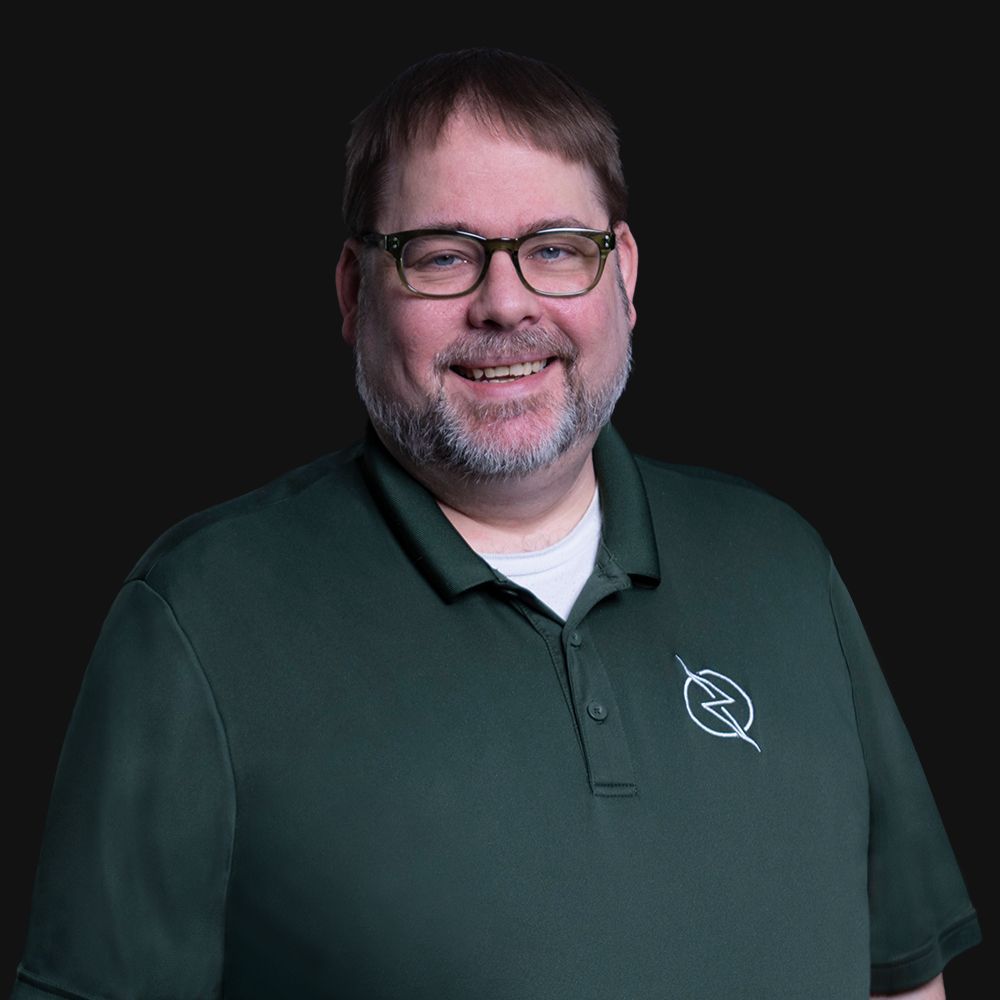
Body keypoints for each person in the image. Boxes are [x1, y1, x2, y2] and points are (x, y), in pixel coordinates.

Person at [10, 47, 981, 1000]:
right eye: (442, 256)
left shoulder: (783, 567)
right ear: (354, 292)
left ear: (623, 273)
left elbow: (902, 982)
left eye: (555, 249)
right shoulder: (200, 619)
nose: (505, 303)